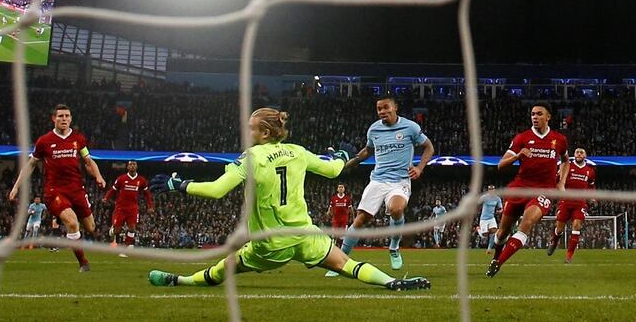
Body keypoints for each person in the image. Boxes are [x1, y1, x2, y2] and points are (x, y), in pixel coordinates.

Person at [147, 108, 430, 291]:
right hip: (305, 235)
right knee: (346, 265)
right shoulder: (297, 151)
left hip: (270, 244)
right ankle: (391, 282)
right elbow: (333, 170)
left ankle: (179, 280)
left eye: (251, 127)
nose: (248, 132)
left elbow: (216, 190)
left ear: (265, 133)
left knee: (224, 268)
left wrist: (181, 185)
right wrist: (342, 157)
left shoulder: (251, 157)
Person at [340, 96, 435, 270]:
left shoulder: (410, 127)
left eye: (386, 107)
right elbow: (367, 151)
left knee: (396, 209)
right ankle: (340, 261)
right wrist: (349, 164)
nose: (382, 111)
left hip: (400, 181)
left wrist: (420, 168)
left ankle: (394, 247)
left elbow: (429, 147)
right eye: (379, 109)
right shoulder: (374, 130)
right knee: (360, 220)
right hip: (377, 180)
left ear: (395, 107)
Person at [9, 104, 106, 272]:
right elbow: (31, 164)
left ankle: (66, 221)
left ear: (71, 119)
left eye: (67, 116)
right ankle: (83, 262)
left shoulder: (78, 139)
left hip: (77, 189)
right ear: (53, 119)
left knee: (90, 227)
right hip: (55, 191)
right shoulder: (44, 141)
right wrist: (17, 186)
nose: (64, 119)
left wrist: (98, 176)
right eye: (60, 116)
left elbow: (88, 161)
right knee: (73, 223)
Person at [487, 104, 569, 277]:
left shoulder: (559, 139)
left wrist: (561, 181)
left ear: (548, 117)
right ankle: (496, 257)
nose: (535, 117)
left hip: (544, 191)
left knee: (527, 222)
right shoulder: (522, 138)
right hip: (519, 188)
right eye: (533, 114)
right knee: (502, 232)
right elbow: (500, 165)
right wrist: (517, 156)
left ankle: (499, 263)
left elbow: (565, 160)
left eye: (539, 114)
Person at [547, 147, 595, 263]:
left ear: (585, 156)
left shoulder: (590, 171)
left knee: (577, 226)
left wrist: (591, 197)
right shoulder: (567, 167)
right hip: (565, 201)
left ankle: (569, 256)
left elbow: (591, 187)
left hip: (580, 203)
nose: (579, 154)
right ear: (574, 155)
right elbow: (556, 181)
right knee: (559, 228)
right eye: (577, 152)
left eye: (581, 152)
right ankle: (554, 241)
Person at [103, 160, 154, 255]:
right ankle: (113, 231)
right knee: (117, 229)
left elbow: (147, 194)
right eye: (130, 164)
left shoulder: (141, 180)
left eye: (134, 164)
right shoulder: (121, 179)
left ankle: (126, 248)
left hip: (133, 208)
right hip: (120, 207)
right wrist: (106, 198)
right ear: (127, 167)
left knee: (132, 228)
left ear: (137, 166)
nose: (132, 166)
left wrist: (150, 206)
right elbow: (113, 190)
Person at [324, 183, 353, 277]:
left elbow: (350, 209)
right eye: (339, 187)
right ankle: (334, 252)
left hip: (344, 221)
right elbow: (330, 207)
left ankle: (341, 254)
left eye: (342, 187)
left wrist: (353, 216)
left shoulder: (347, 198)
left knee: (343, 238)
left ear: (344, 189)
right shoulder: (334, 198)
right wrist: (328, 213)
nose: (340, 189)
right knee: (335, 237)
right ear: (337, 189)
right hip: (336, 221)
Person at [478, 185, 502, 254]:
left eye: (492, 189)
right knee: (485, 235)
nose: (491, 191)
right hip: (484, 218)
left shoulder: (497, 199)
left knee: (494, 232)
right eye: (490, 189)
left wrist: (499, 211)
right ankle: (478, 229)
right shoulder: (484, 197)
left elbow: (500, 208)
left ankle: (489, 249)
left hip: (491, 218)